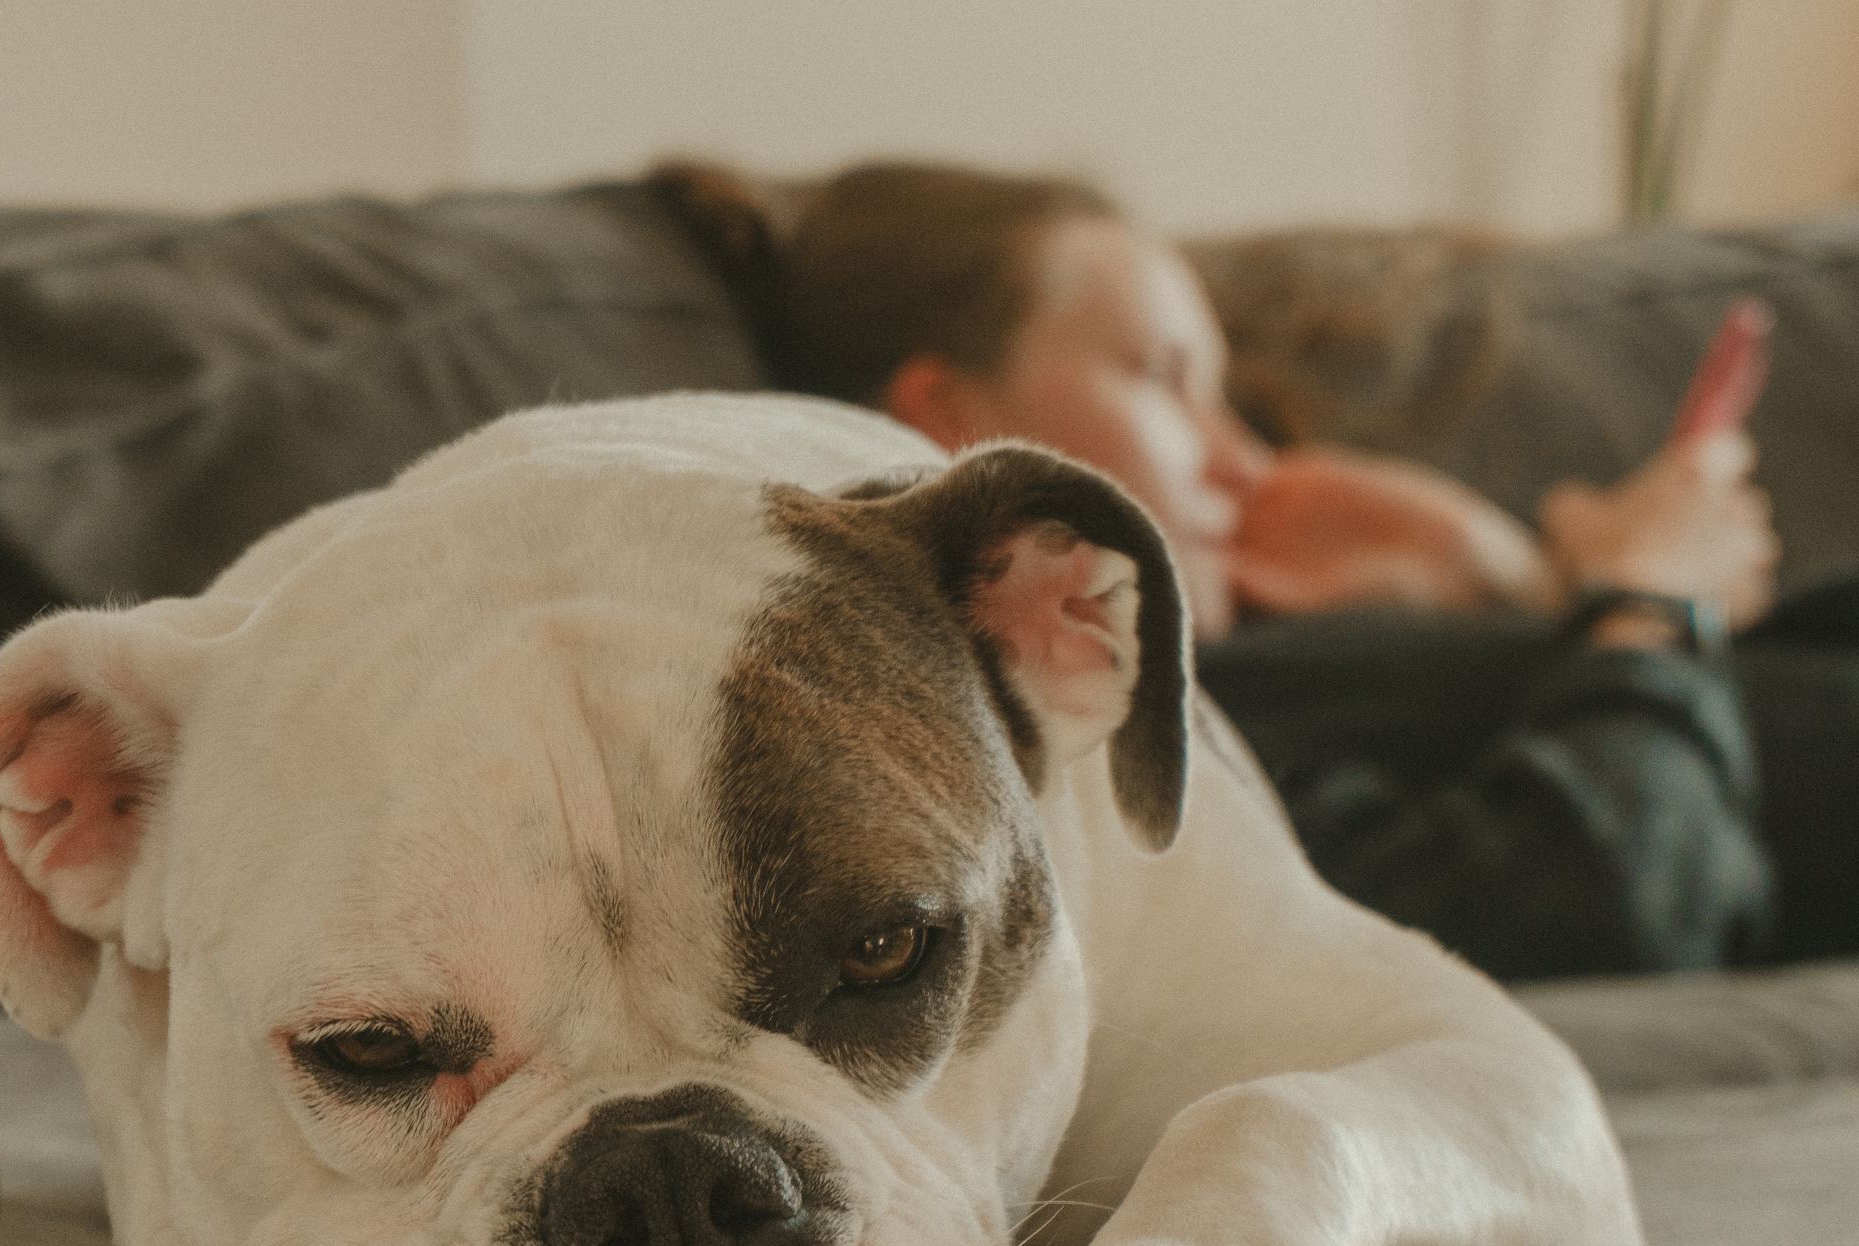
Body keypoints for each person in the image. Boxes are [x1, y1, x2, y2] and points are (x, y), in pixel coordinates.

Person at [652, 157, 1859, 980]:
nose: (1240, 459)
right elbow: (1611, 903)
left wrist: (1508, 579)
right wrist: (1650, 599)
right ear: (952, 423)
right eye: (1167, 379)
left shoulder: (1261, 655)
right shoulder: (1129, 754)